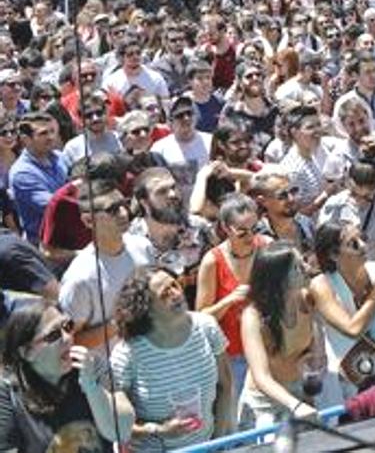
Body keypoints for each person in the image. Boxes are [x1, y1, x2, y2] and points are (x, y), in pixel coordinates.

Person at [109, 268, 235, 450]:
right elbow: (116, 423)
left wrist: (217, 443)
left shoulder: (207, 327)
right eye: (164, 294)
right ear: (147, 309)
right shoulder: (128, 354)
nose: (175, 294)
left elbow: (225, 386)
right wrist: (160, 430)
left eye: (174, 285)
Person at [0, 299, 127, 452]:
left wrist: (92, 387)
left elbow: (122, 431)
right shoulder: (7, 394)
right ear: (27, 352)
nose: (67, 338)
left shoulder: (92, 366)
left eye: (67, 326)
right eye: (53, 335)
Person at [239, 242, 337, 427]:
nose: (307, 268)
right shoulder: (253, 317)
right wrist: (296, 405)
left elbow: (317, 349)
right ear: (279, 278)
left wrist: (316, 362)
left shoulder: (307, 299)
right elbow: (262, 377)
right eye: (298, 267)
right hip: (265, 404)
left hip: (300, 393)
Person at [58, 179, 156, 348]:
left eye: (123, 204)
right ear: (88, 221)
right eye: (113, 210)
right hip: (110, 370)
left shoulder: (143, 246)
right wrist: (121, 321)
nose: (124, 213)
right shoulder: (80, 277)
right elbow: (70, 341)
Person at [308, 220, 375, 396]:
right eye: (353, 243)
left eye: (362, 238)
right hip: (347, 384)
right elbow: (353, 329)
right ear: (333, 254)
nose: (363, 246)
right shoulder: (322, 285)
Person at [195, 193, 266, 408]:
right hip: (232, 356)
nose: (251, 237)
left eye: (256, 229)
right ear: (226, 228)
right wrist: (230, 300)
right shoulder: (212, 261)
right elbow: (201, 317)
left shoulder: (266, 248)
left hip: (266, 348)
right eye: (243, 232)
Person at [9, 111, 69, 243]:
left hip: (69, 235)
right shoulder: (22, 174)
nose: (50, 137)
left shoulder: (59, 157)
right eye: (43, 133)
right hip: (44, 245)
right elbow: (56, 207)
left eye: (52, 131)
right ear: (26, 139)